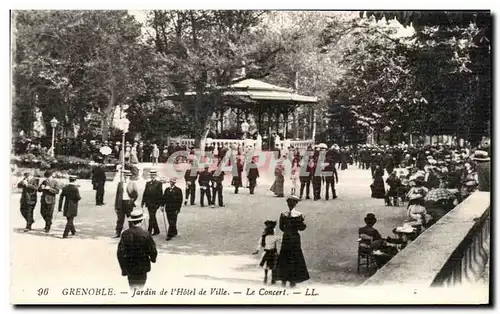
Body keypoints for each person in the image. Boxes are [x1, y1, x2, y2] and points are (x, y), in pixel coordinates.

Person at [117, 209, 158, 289]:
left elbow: (120, 253)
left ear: (131, 221)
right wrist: (153, 259)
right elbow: (152, 250)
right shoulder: (146, 234)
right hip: (143, 266)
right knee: (141, 286)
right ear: (142, 221)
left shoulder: (125, 234)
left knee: (132, 287)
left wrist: (123, 268)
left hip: (130, 266)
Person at [275, 195, 309, 287]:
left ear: (287, 204)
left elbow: (281, 227)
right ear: (296, 204)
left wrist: (287, 231)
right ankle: (293, 279)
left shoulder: (283, 214)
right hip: (295, 238)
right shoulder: (299, 215)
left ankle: (283, 279)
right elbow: (302, 228)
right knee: (295, 257)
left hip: (286, 237)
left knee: (284, 256)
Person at [252, 220, 280, 284]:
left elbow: (259, 244)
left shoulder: (264, 237)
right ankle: (273, 279)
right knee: (274, 266)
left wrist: (257, 251)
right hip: (273, 252)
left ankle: (265, 277)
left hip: (266, 252)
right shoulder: (275, 237)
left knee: (266, 266)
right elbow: (282, 241)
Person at [114, 170, 139, 238]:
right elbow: (117, 195)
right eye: (125, 176)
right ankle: (118, 232)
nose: (126, 177)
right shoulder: (120, 183)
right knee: (120, 219)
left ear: (129, 176)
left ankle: (132, 234)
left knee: (130, 219)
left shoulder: (132, 183)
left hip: (128, 203)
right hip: (121, 203)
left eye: (127, 176)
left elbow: (136, 194)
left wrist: (132, 201)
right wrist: (116, 205)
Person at [141, 170, 163, 236]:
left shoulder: (159, 183)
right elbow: (145, 193)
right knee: (152, 216)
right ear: (150, 175)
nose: (152, 176)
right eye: (151, 175)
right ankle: (156, 230)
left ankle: (149, 231)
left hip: (155, 203)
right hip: (148, 203)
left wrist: (160, 204)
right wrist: (143, 202)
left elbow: (160, 194)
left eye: (154, 175)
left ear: (155, 175)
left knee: (151, 216)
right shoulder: (148, 183)